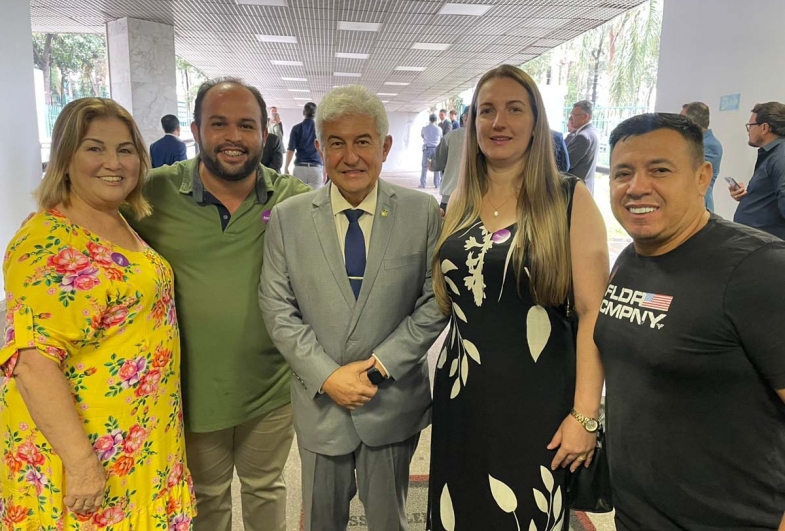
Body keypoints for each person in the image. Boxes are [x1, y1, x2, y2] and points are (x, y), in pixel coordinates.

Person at [428, 65, 608, 530]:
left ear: (535, 121)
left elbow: (593, 313)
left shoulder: (568, 199)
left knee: (522, 512)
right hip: (461, 392)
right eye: (486, 111)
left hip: (537, 398)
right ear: (472, 123)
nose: (498, 122)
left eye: (513, 109)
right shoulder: (459, 199)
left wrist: (585, 415)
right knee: (460, 510)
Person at [259, 84, 447, 531]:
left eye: (363, 141)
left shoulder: (422, 212)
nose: (350, 156)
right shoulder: (289, 217)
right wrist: (327, 374)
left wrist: (381, 364)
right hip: (321, 404)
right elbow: (276, 306)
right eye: (336, 143)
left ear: (384, 147)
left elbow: (434, 299)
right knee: (322, 520)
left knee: (389, 521)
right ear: (320, 148)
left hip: (392, 400)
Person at [0, 98, 194, 529]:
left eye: (125, 150)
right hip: (88, 458)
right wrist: (83, 465)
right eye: (94, 148)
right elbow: (33, 365)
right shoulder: (46, 244)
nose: (113, 162)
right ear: (65, 158)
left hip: (137, 442)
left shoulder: (116, 218)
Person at [128, 77, 311, 531]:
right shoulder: (151, 195)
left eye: (246, 125)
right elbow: (89, 220)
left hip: (270, 385)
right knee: (206, 499)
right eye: (219, 124)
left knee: (266, 489)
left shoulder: (294, 200)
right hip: (188, 388)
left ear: (264, 135)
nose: (234, 137)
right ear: (196, 130)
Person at [596, 112, 785, 530]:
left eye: (659, 170)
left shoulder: (758, 269)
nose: (636, 186)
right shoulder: (632, 258)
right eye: (622, 172)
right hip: (636, 516)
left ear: (703, 177)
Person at [730, 102, 785, 238]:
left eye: (750, 125)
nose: (748, 130)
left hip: (767, 245)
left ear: (765, 127)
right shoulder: (772, 154)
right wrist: (751, 197)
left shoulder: (780, 157)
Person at [681, 102, 723, 211]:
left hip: (700, 205)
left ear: (692, 122)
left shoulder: (710, 145)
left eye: (681, 120)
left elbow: (687, 171)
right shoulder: (693, 141)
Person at [431, 108, 468, 211]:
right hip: (478, 199)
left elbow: (438, 164)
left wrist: (431, 164)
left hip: (450, 196)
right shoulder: (486, 138)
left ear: (465, 117)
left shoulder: (449, 136)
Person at [286, 101, 324, 189]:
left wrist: (286, 167)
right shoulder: (320, 130)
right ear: (316, 114)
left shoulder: (296, 128)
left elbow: (290, 149)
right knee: (314, 199)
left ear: (304, 112)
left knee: (298, 199)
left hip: (300, 168)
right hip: (315, 168)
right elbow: (323, 150)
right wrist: (325, 170)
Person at [565, 100, 600, 193]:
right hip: (585, 188)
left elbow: (566, 164)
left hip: (576, 190)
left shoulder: (582, 137)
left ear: (586, 117)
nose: (571, 118)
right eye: (571, 114)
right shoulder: (592, 132)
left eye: (574, 115)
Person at [420, 113, 443, 189]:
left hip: (426, 149)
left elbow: (422, 135)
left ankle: (423, 184)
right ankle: (437, 184)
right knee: (436, 167)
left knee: (424, 167)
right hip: (436, 149)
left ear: (429, 119)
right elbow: (441, 137)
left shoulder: (425, 128)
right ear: (436, 120)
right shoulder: (439, 129)